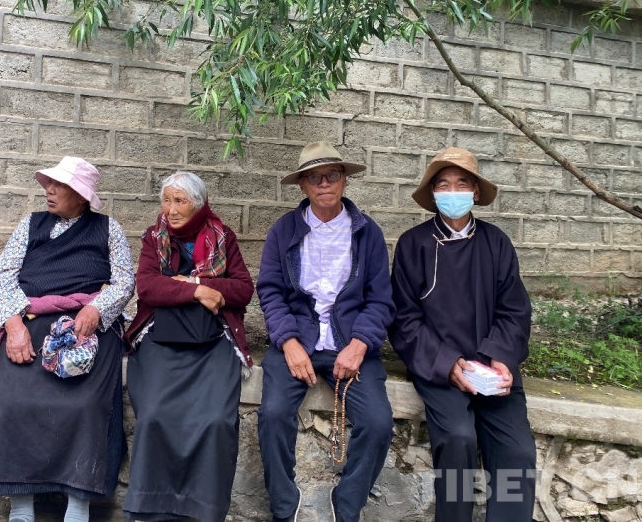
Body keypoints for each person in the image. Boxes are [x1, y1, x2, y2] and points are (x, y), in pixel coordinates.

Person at [388, 147, 536, 522]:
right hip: (441, 370)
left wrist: (502, 358)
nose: (453, 191)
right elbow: (404, 319)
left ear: (476, 192)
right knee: (457, 438)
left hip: (493, 370)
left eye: (462, 183)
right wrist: (448, 365)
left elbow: (514, 310)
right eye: (443, 184)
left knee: (517, 453)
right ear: (433, 192)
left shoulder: (497, 243)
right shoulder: (413, 245)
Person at [0, 156, 134, 522]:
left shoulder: (108, 229)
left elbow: (124, 281)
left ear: (81, 196)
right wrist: (14, 325)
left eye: (60, 185)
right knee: (17, 403)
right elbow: (3, 277)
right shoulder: (31, 224)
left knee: (86, 406)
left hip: (86, 329)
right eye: (49, 183)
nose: (49, 190)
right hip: (31, 324)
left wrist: (96, 310)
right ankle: (21, 506)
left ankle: (78, 506)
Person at [256, 141, 395, 522]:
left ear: (345, 179)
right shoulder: (284, 230)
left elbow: (380, 299)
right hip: (297, 340)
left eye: (331, 175)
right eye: (314, 177)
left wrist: (360, 344)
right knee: (272, 416)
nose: (324, 184)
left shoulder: (367, 233)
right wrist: (287, 342)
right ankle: (284, 506)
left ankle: (346, 505)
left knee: (378, 423)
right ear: (302, 185)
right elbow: (270, 291)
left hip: (349, 342)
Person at [123, 171, 255, 522]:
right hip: (160, 338)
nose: (171, 209)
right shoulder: (153, 237)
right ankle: (151, 509)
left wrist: (199, 282)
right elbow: (147, 286)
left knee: (215, 421)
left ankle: (202, 511)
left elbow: (243, 289)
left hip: (212, 340)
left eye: (180, 201)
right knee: (153, 416)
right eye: (166, 200)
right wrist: (197, 291)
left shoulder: (223, 236)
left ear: (198, 204)